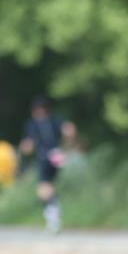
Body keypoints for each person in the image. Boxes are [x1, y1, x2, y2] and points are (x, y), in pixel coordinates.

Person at [20, 96, 76, 232]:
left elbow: (29, 145)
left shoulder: (36, 123)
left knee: (44, 187)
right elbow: (69, 130)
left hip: (47, 156)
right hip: (56, 155)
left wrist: (25, 148)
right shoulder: (54, 120)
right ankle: (53, 212)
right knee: (49, 185)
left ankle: (53, 215)